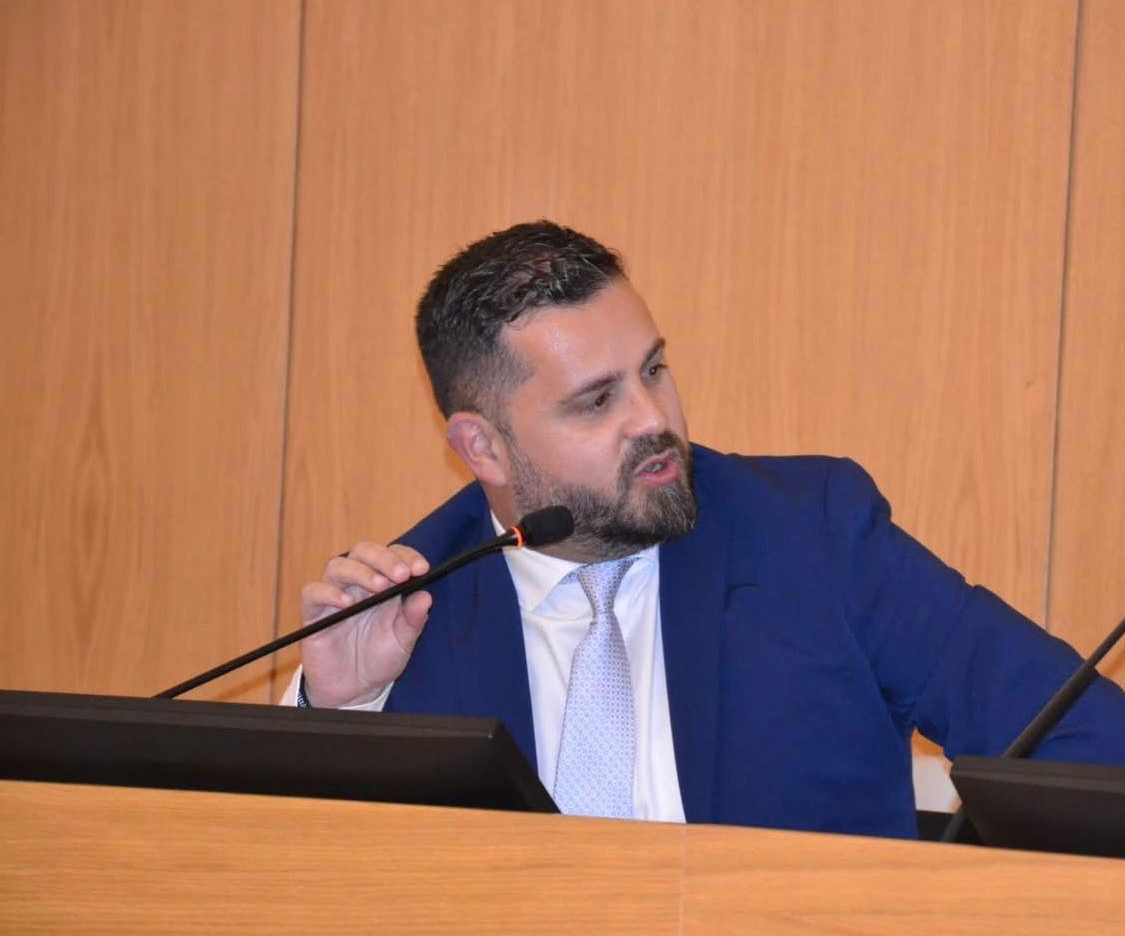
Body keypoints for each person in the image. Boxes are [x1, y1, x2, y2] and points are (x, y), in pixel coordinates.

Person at [282, 220, 1125, 837]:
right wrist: (339, 708)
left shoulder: (811, 535)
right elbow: (307, 881)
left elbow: (1083, 740)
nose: (654, 419)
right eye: (596, 400)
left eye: (653, 369)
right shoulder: (413, 604)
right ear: (482, 447)